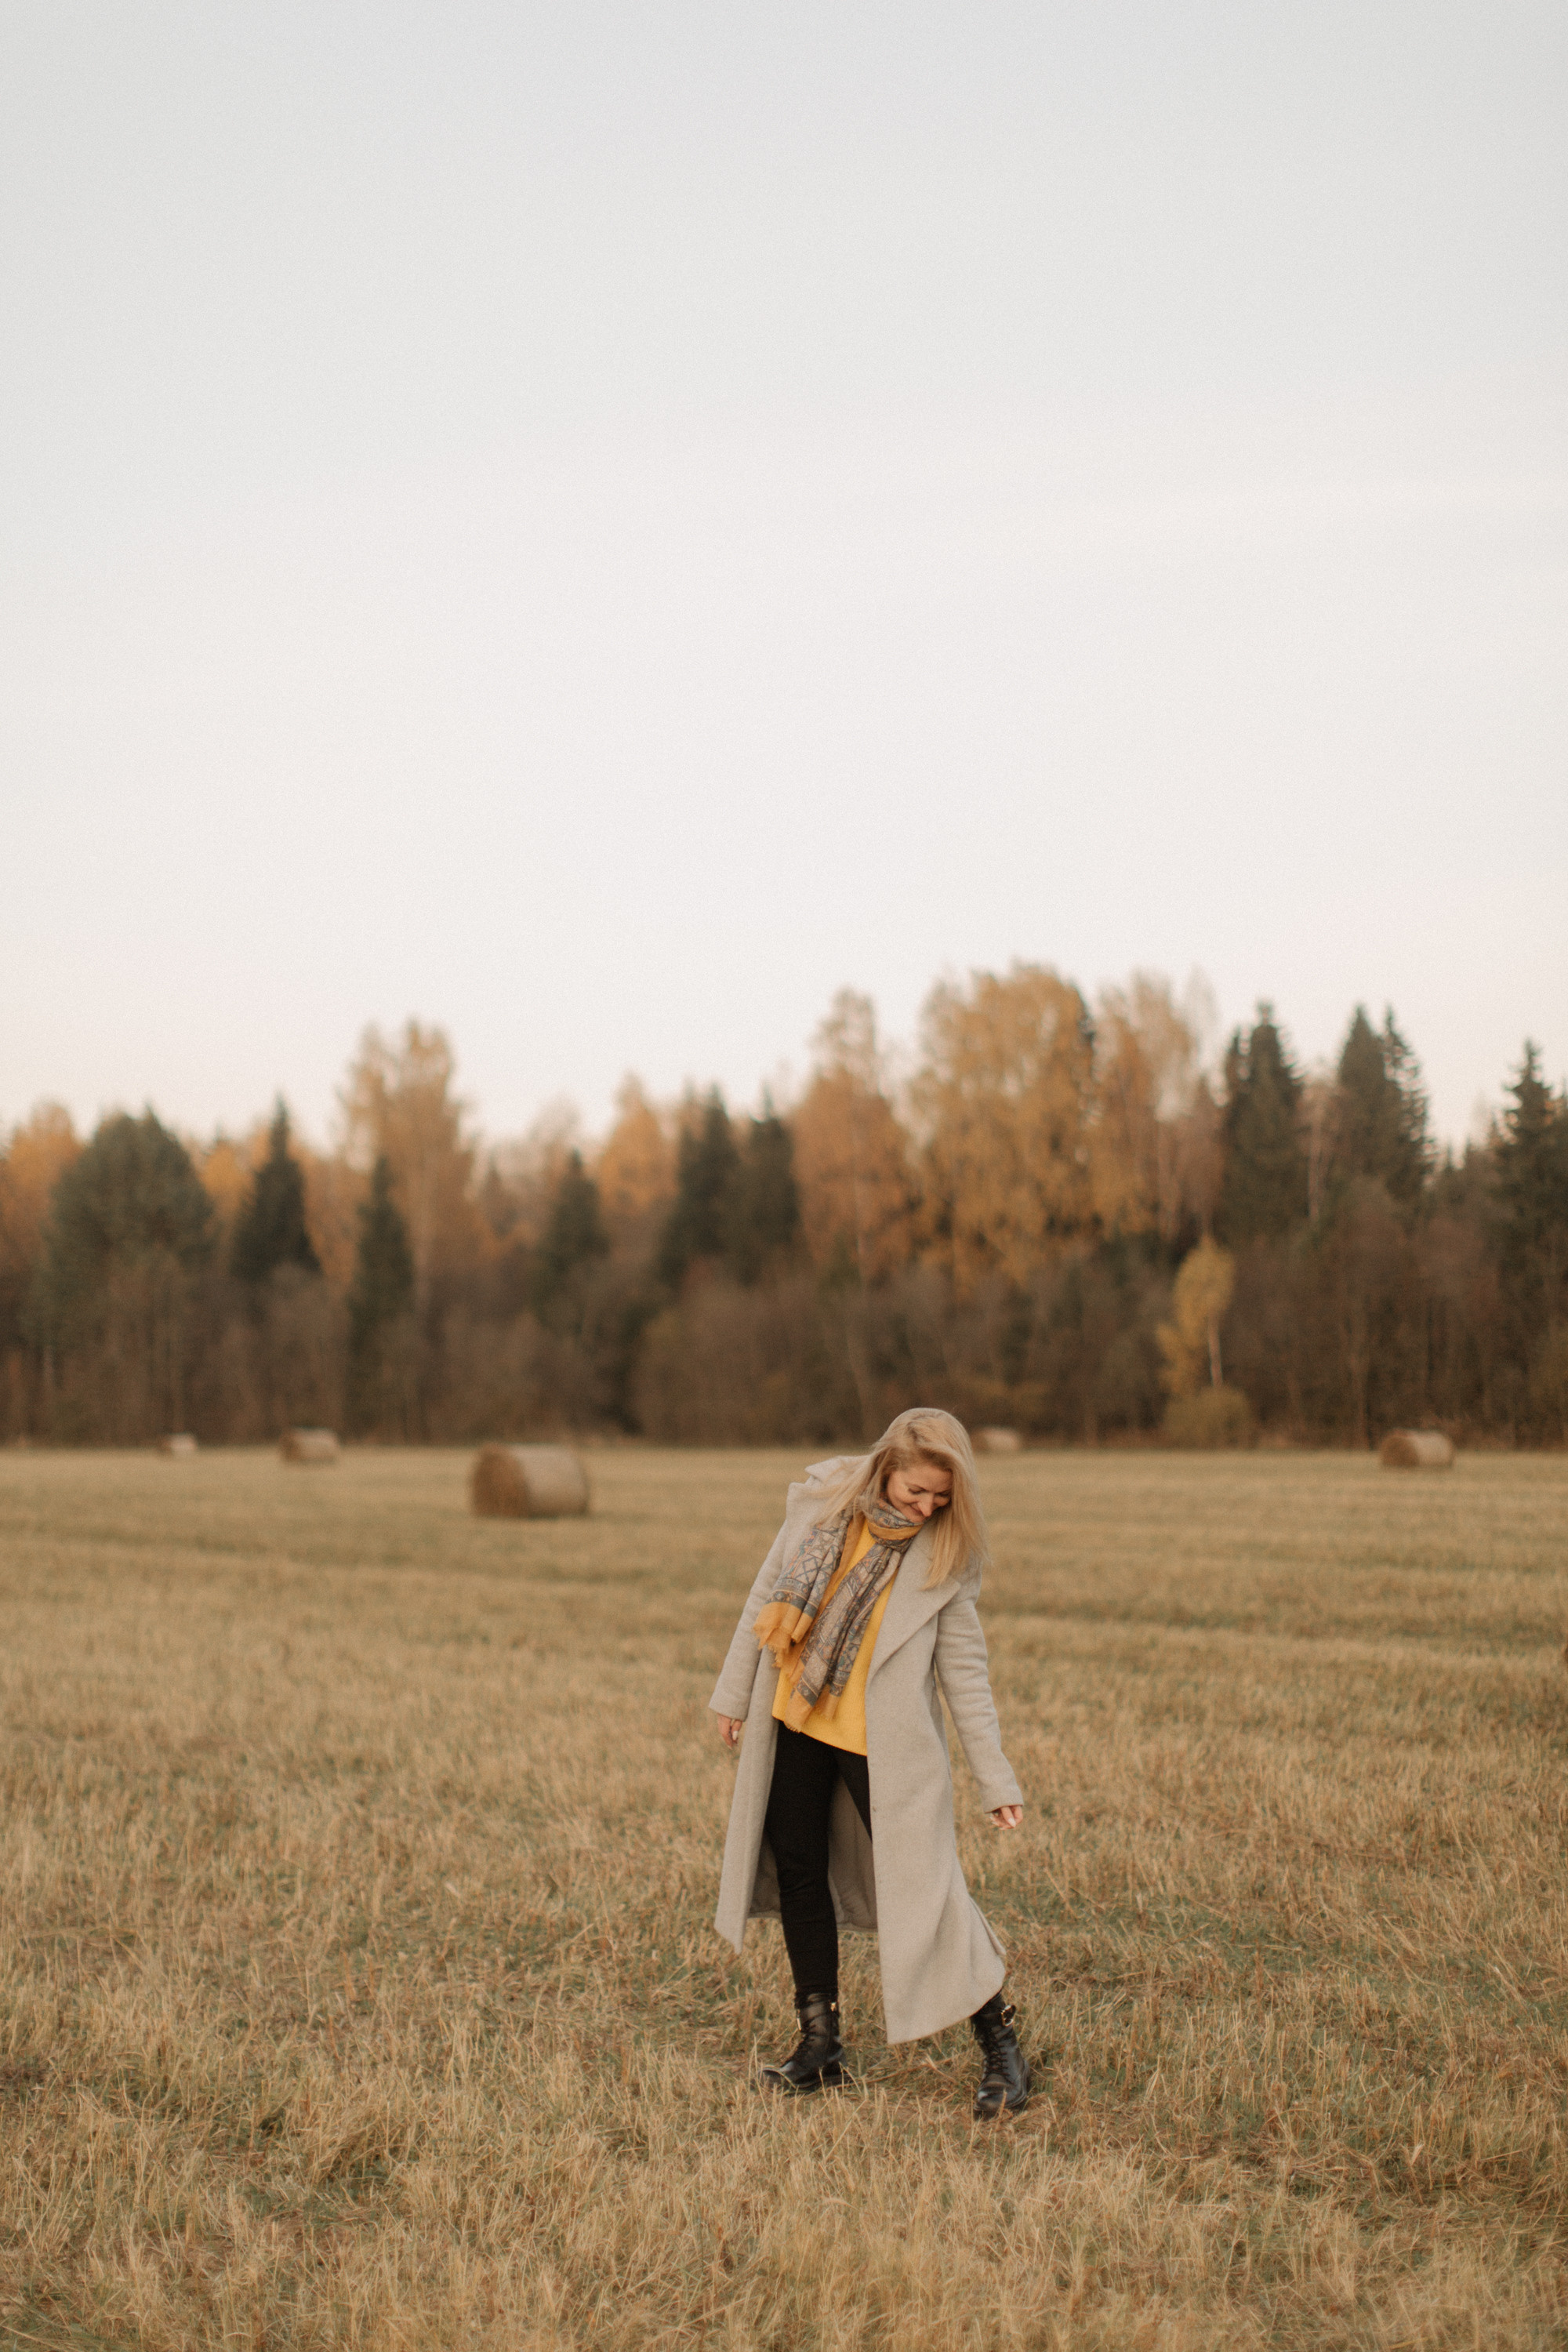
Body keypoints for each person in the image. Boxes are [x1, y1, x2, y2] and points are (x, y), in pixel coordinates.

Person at [710, 1407, 1029, 2120]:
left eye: (941, 1498)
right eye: (916, 1492)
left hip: (883, 1745)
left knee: (929, 1884)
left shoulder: (948, 1553)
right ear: (887, 1465)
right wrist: (733, 1694)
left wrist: (994, 1776)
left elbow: (965, 1672)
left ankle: (1000, 2043)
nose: (927, 1508)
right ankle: (819, 2042)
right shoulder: (824, 1503)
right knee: (798, 1868)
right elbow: (764, 1598)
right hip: (796, 1715)